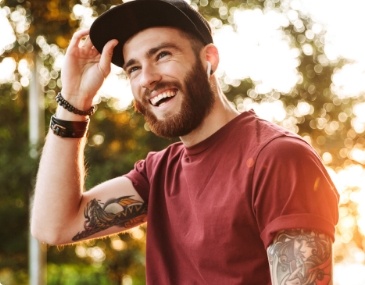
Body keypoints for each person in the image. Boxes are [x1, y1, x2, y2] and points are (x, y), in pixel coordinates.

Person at [30, 0, 339, 284]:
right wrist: (73, 101)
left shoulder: (277, 157)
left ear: (208, 59)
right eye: (133, 68)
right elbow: (54, 226)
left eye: (162, 55)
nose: (147, 78)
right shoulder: (159, 173)